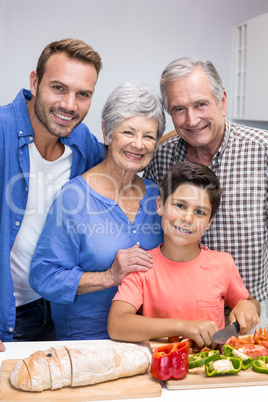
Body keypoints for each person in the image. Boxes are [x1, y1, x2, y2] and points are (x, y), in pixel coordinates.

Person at [29, 82, 165, 340]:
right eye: (128, 131)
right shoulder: (74, 197)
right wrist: (108, 277)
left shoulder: (156, 196)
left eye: (149, 136)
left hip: (149, 343)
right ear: (107, 132)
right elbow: (43, 277)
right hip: (88, 344)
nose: (138, 144)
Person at [143, 57, 268, 329]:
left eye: (200, 104)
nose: (192, 119)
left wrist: (249, 304)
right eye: (179, 109)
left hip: (247, 314)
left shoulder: (263, 151)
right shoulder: (161, 157)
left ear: (221, 101)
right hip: (173, 319)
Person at [0, 38, 104, 349]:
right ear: (35, 82)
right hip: (8, 317)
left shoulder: (82, 142)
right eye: (58, 88)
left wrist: (177, 135)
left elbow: (124, 154)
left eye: (82, 94)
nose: (69, 105)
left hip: (56, 311)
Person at [108, 161, 260, 346]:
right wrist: (183, 327)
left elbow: (249, 302)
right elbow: (117, 324)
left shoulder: (223, 264)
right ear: (160, 205)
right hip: (161, 366)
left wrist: (248, 306)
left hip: (210, 369)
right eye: (180, 205)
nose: (188, 218)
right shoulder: (143, 265)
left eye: (199, 212)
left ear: (209, 222)